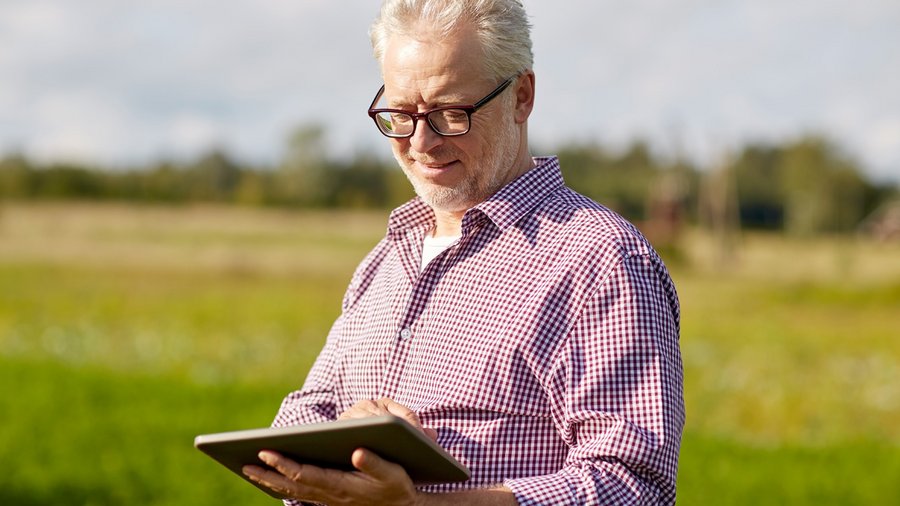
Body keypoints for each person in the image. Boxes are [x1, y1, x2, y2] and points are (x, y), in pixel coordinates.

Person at [242, 0, 685, 504]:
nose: (422, 141)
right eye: (400, 114)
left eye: (451, 113)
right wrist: (345, 434)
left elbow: (634, 485)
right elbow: (307, 411)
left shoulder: (604, 264)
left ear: (522, 96)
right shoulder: (387, 258)